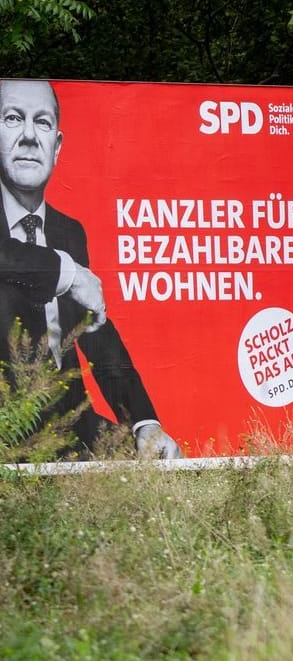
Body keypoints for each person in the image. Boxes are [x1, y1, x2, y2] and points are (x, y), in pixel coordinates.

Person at [0, 78, 180, 459]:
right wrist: (68, 273)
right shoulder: (63, 260)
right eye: (14, 119)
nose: (30, 136)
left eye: (43, 123)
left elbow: (95, 333)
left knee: (159, 462)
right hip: (7, 429)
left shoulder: (68, 231)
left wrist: (143, 423)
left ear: (57, 146)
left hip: (68, 427)